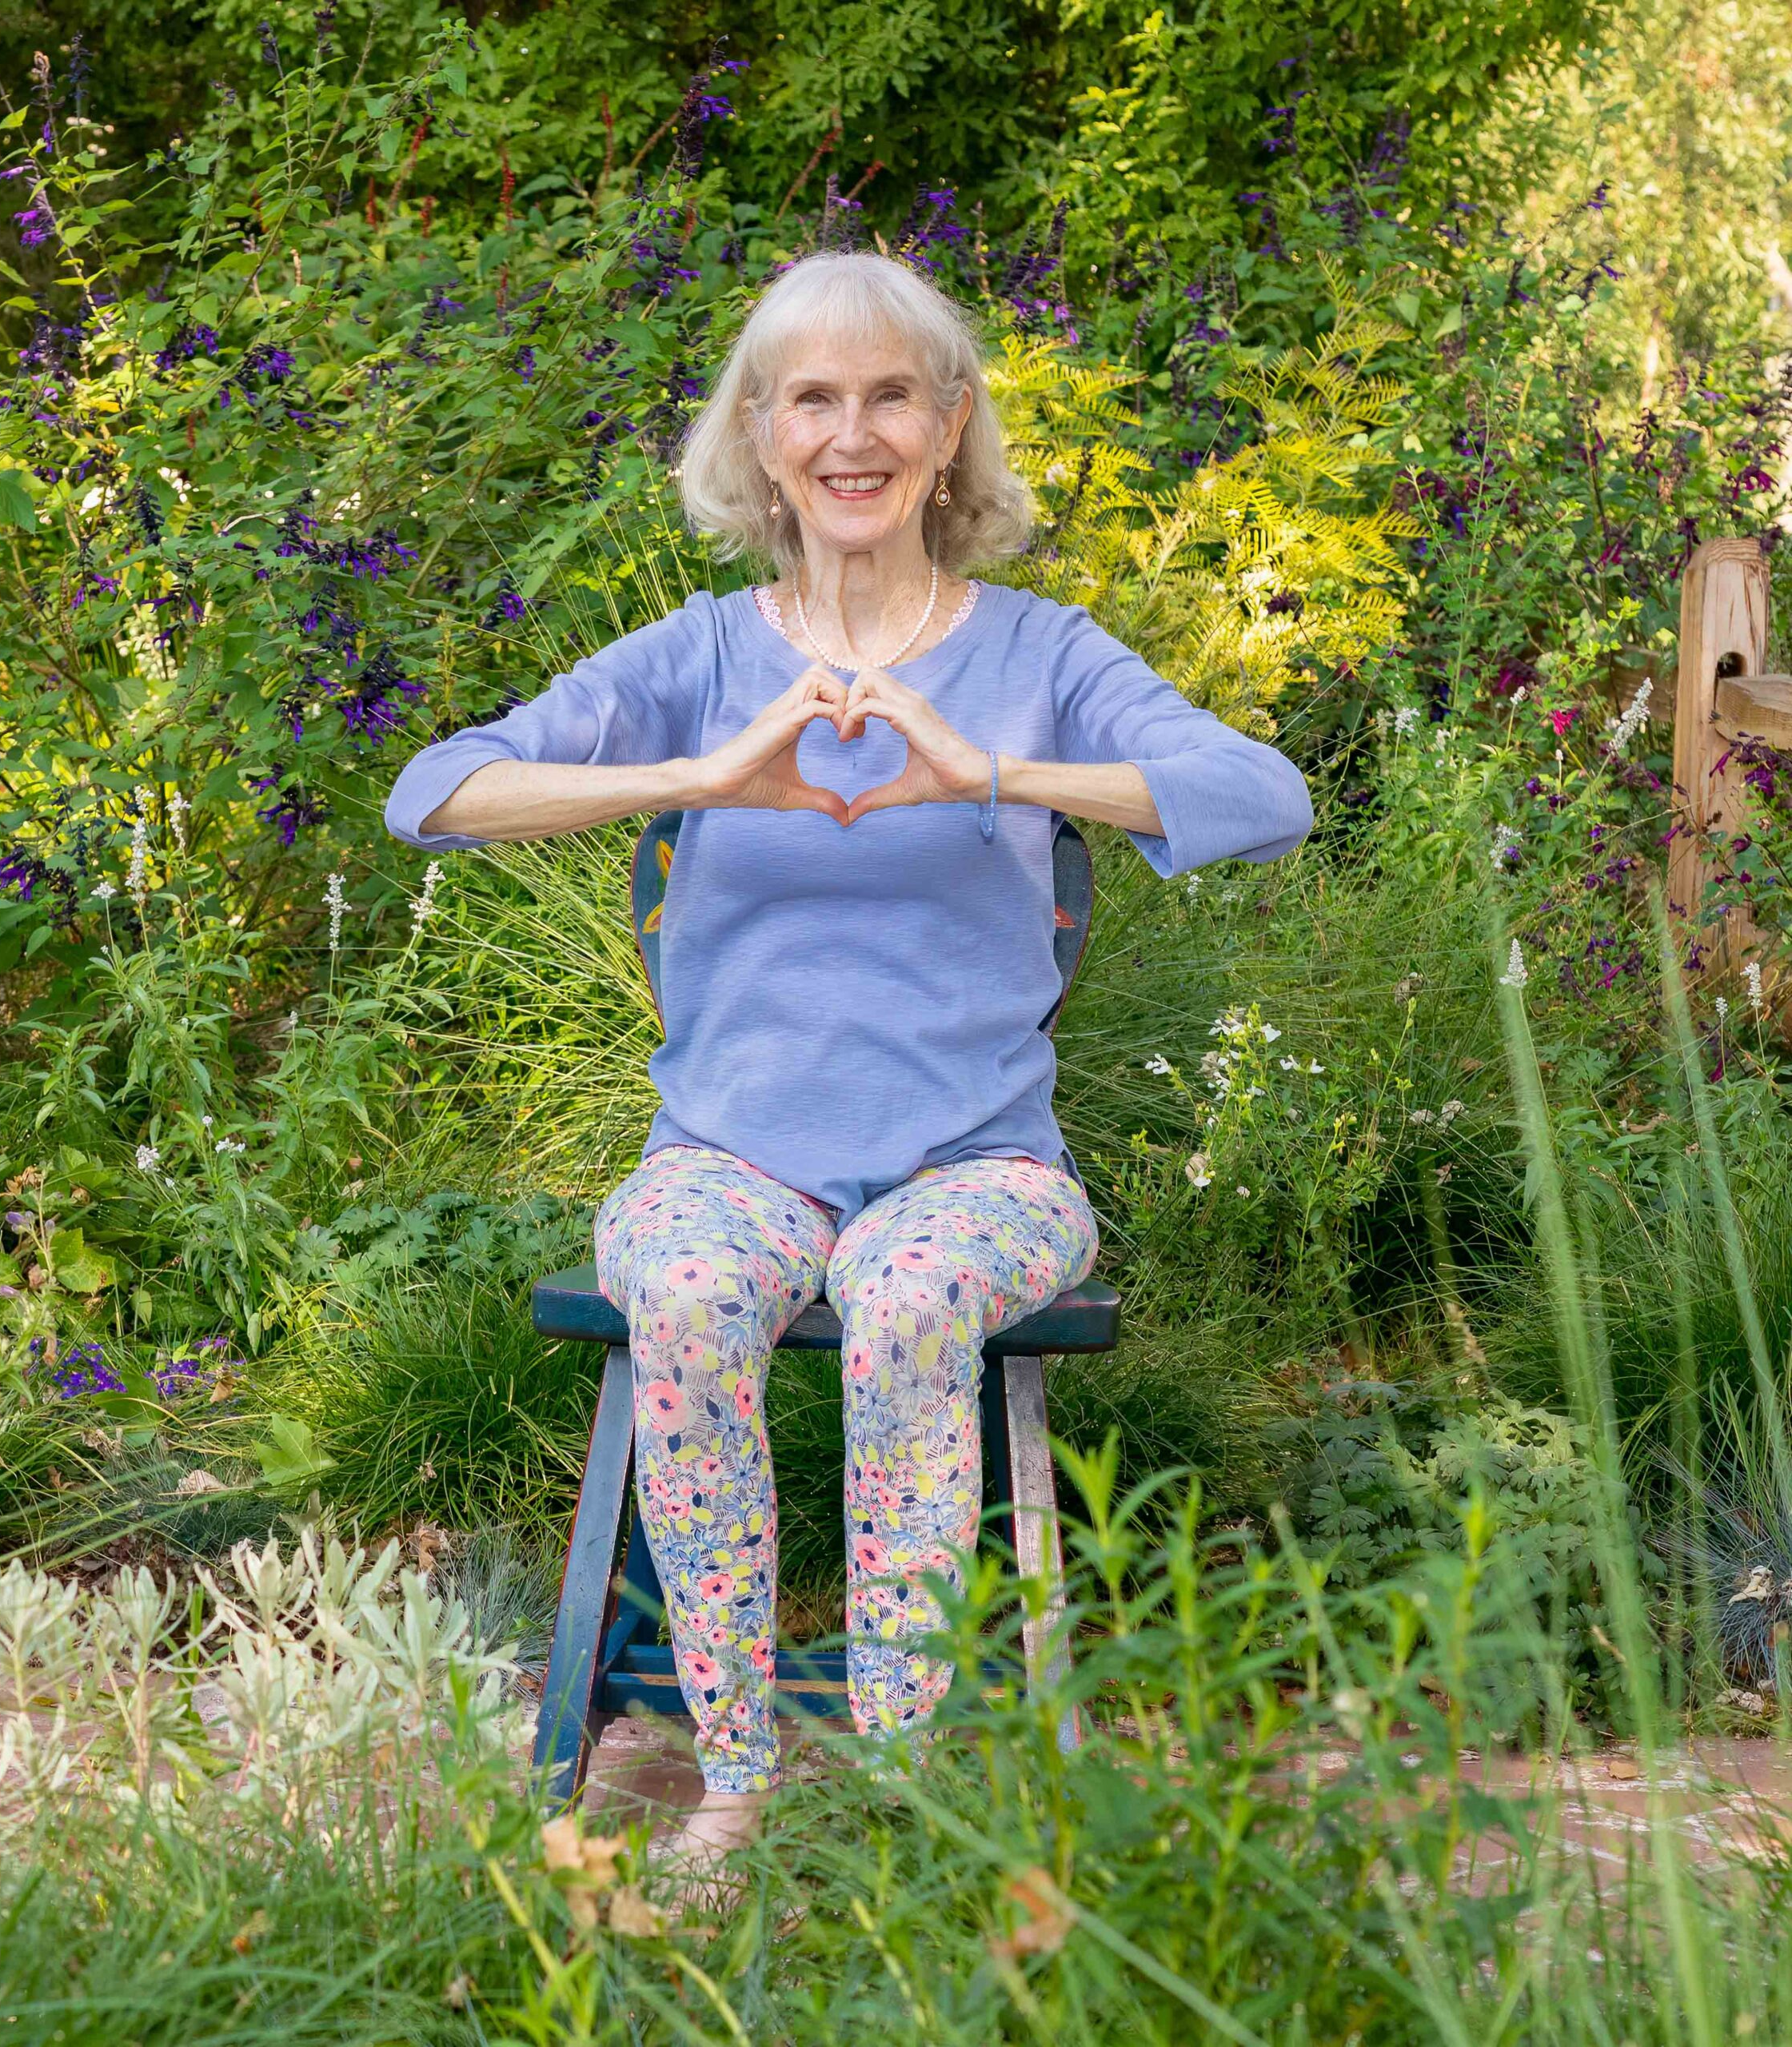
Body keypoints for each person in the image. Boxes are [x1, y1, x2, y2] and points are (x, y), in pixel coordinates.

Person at [385, 249, 1313, 1872]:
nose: (851, 431)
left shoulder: (1038, 651)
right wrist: (698, 773)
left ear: (947, 429)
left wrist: (1004, 767)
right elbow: (436, 788)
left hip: (981, 1174)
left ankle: (901, 1780)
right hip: (729, 1163)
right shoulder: (699, 653)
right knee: (677, 1286)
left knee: (901, 1292)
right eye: (811, 396)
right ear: (760, 434)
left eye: (890, 392)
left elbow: (1264, 793)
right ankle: (732, 1779)